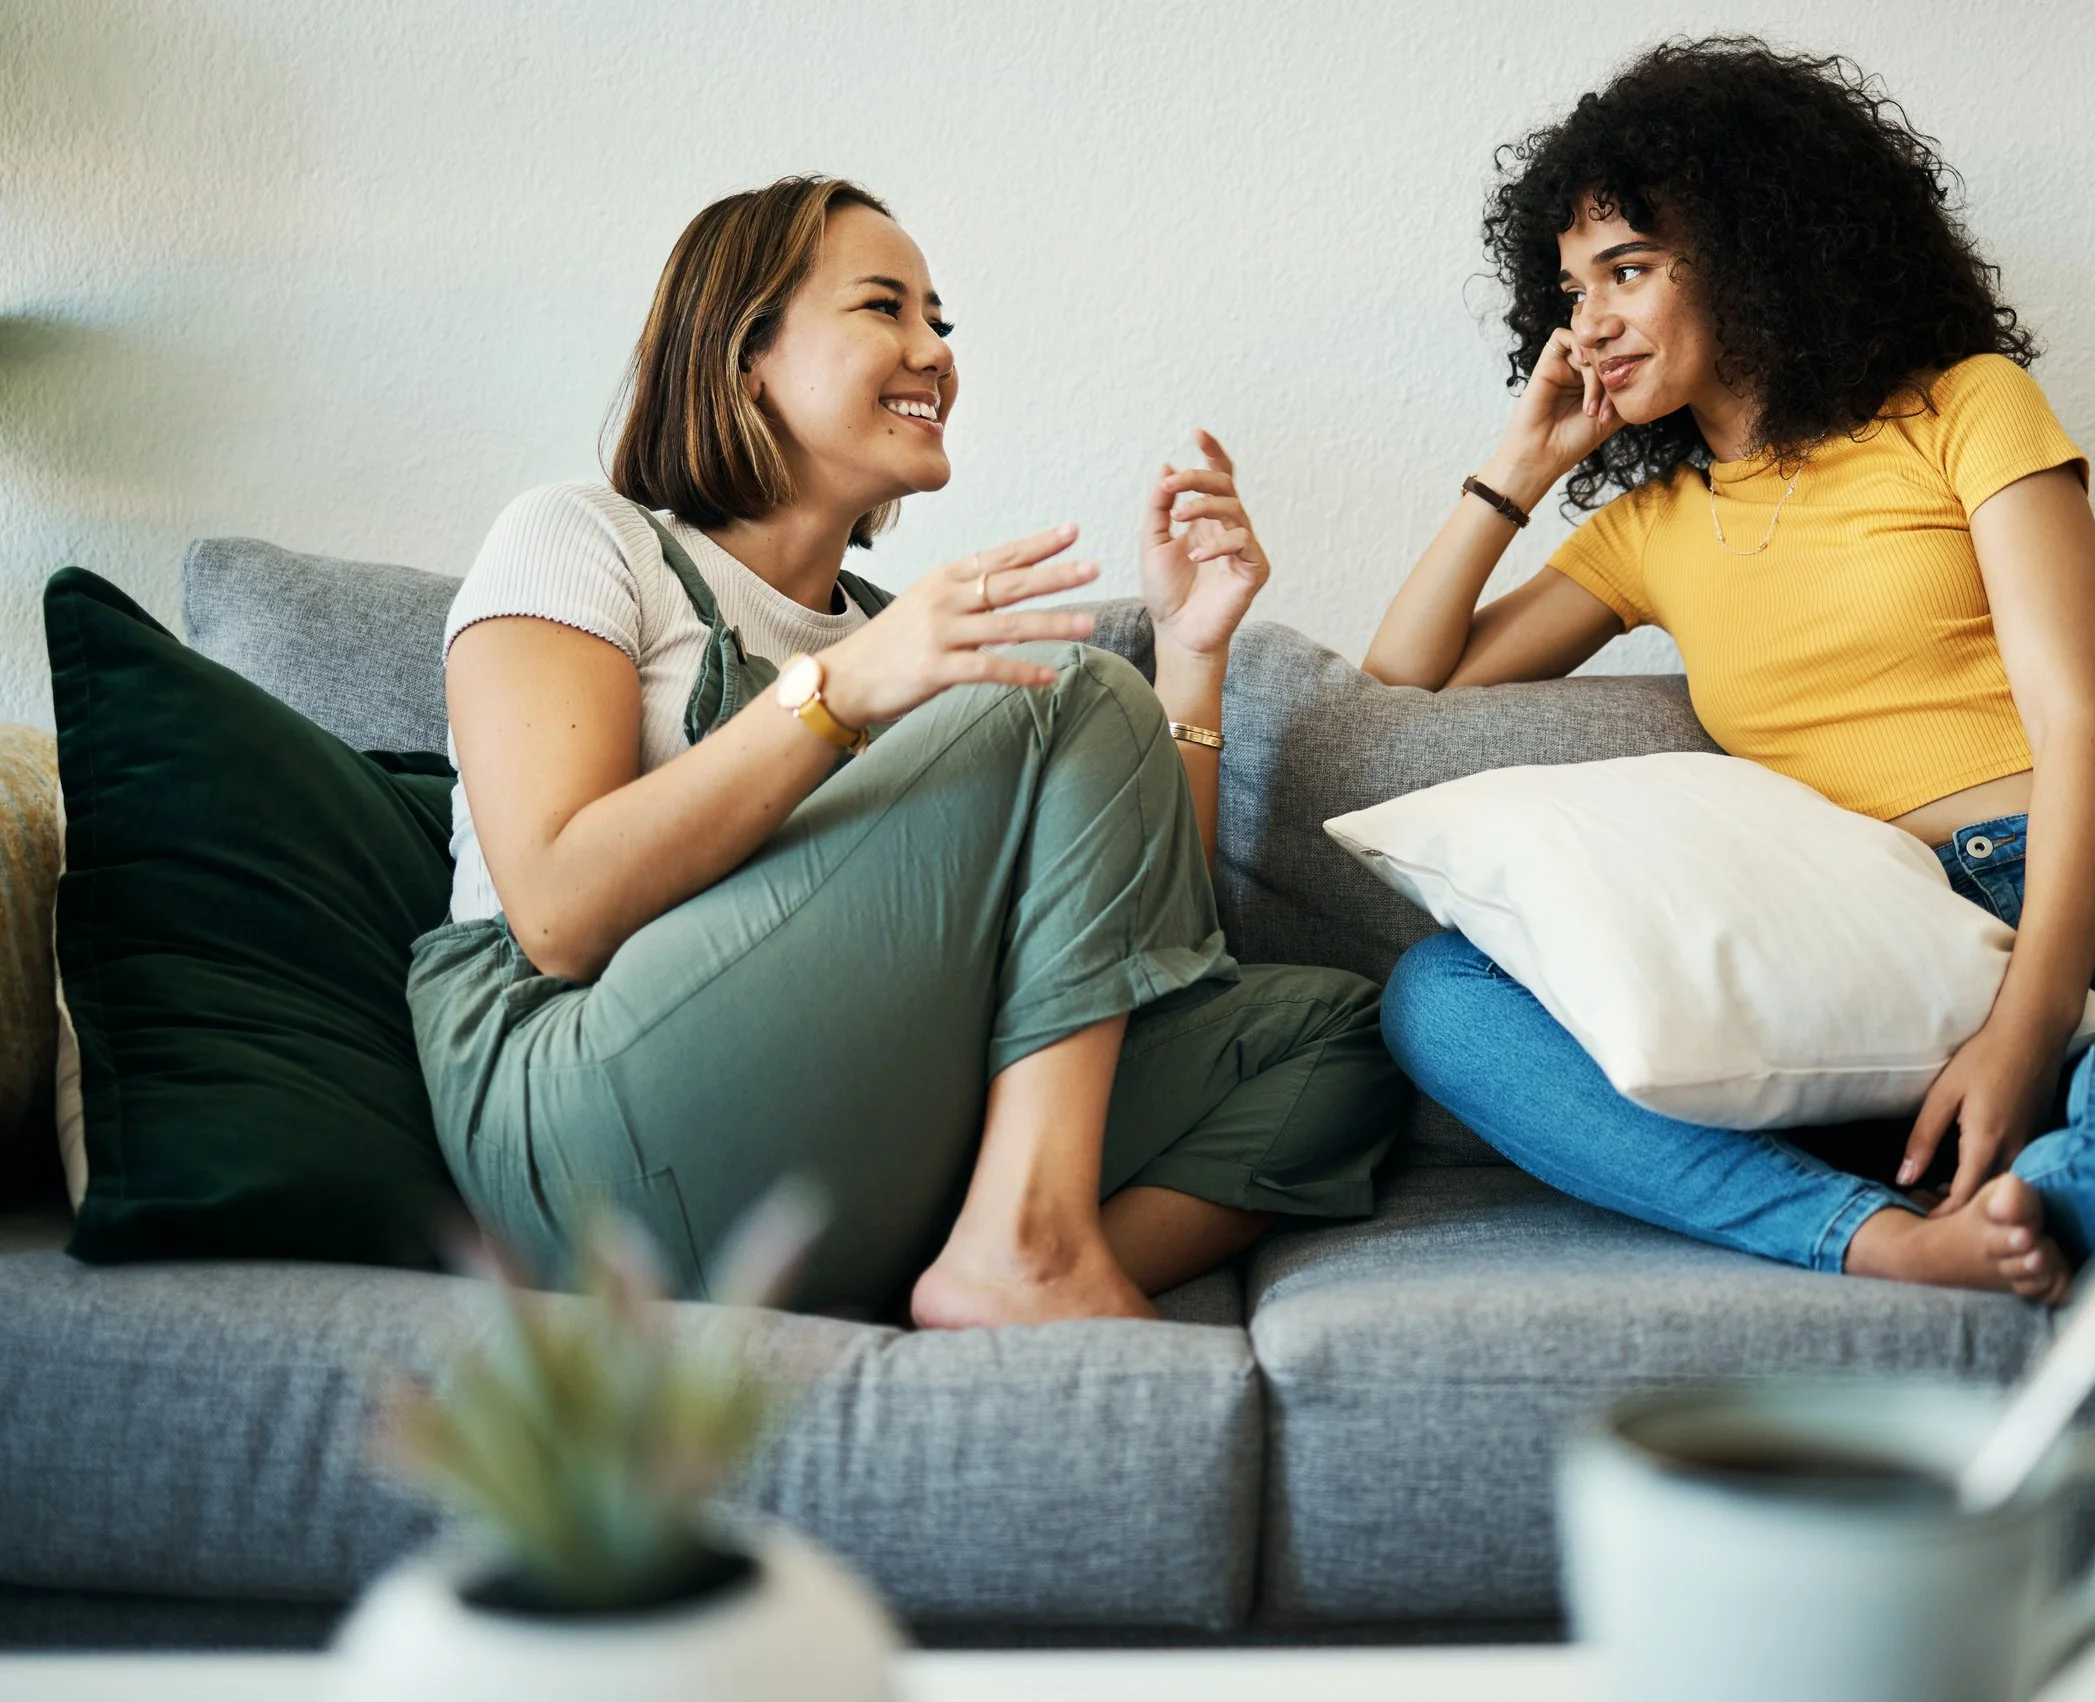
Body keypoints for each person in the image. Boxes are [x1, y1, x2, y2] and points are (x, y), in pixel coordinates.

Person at [1363, 39, 2095, 1304]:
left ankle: (2034, 1181)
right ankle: (1882, 1236)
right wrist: (1517, 470)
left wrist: (2026, 1024)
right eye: (1571, 288)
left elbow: (2071, 726)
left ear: (1754, 246)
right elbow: (1404, 683)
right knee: (1441, 996)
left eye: (1628, 269)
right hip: (1864, 953)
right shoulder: (1651, 529)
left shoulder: (1964, 409)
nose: (1589, 321)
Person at [410, 176, 1403, 1326]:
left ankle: (986, 1258)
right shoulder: (585, 540)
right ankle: (1023, 1245)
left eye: (940, 320)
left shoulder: (900, 628)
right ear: (746, 356)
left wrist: (1189, 658)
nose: (934, 349)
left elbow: (1135, 937)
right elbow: (556, 911)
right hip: (583, 1116)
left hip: (844, 1132)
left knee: (1348, 1035)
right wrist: (840, 689)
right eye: (885, 307)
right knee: (1070, 687)